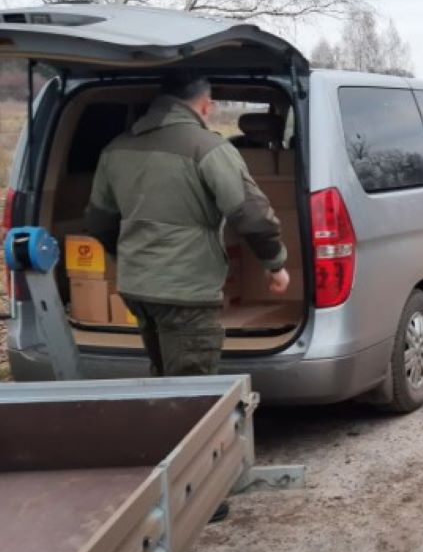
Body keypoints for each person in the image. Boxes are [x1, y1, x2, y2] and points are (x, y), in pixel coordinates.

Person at [85, 72, 291, 378]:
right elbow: (252, 214)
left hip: (137, 287)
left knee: (165, 376)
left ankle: (164, 423)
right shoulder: (208, 148)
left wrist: (129, 256)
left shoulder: (116, 147)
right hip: (186, 291)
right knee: (192, 390)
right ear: (205, 106)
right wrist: (275, 264)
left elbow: (98, 219)